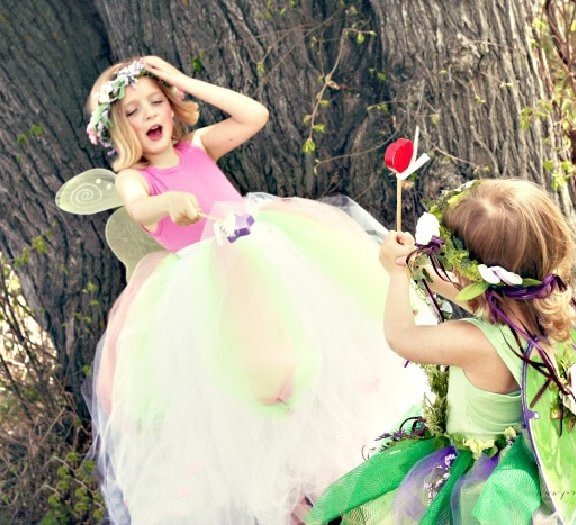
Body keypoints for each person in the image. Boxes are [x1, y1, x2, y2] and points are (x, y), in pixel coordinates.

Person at [72, 56, 426, 525]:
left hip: (270, 258)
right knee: (254, 391)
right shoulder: (135, 177)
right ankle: (295, 500)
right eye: (132, 112)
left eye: (155, 102)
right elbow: (141, 210)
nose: (148, 116)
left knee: (317, 357)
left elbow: (253, 115)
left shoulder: (198, 146)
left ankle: (347, 472)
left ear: (172, 105)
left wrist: (183, 81)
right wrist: (168, 201)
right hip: (208, 294)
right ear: (118, 129)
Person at [305, 179, 576, 524]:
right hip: (533, 459)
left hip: (478, 473)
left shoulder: (471, 340)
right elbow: (483, 304)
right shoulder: (544, 312)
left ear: (472, 275)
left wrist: (397, 276)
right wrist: (435, 280)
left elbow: (401, 337)